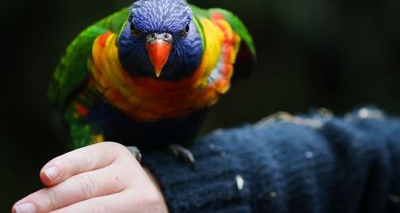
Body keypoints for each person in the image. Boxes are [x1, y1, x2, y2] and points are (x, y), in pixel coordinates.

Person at [12, 107, 400, 213]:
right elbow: (366, 154)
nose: (158, 50)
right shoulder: (103, 51)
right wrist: (184, 182)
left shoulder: (220, 48)